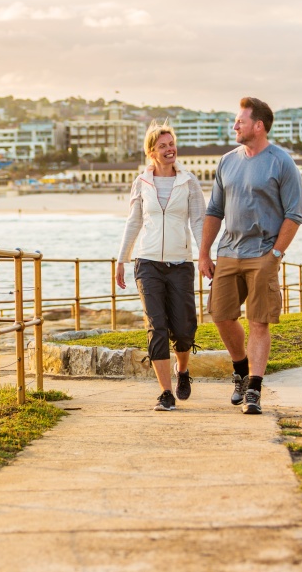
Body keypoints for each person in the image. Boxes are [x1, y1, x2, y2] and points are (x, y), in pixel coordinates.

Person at [199, 97, 302, 415]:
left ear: (258, 125)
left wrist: (275, 254)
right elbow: (215, 210)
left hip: (263, 254)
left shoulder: (281, 162)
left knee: (259, 322)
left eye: (240, 121)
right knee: (220, 314)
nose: (235, 126)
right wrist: (203, 253)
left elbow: (294, 214)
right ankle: (241, 371)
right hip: (229, 252)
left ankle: (254, 390)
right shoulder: (227, 162)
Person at [117, 121, 206, 411]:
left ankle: (183, 371)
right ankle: (165, 393)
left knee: (183, 329)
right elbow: (134, 222)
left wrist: (205, 256)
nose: (170, 150)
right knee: (156, 327)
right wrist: (122, 259)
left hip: (181, 263)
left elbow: (198, 222)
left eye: (172, 144)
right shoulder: (141, 182)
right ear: (152, 152)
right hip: (148, 262)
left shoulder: (189, 181)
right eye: (163, 146)